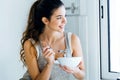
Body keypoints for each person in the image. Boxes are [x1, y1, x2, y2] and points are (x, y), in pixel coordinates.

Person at [20, 0, 85, 80]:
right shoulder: (31, 44)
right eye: (59, 17)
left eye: (65, 16)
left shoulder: (73, 39)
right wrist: (49, 64)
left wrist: (75, 70)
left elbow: (82, 75)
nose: (65, 21)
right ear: (45, 20)